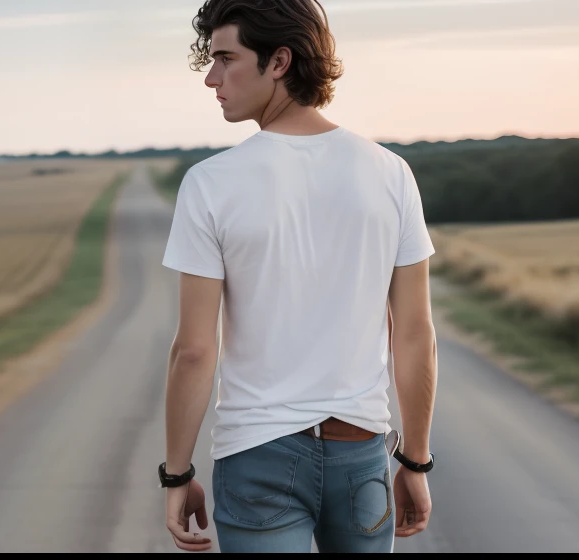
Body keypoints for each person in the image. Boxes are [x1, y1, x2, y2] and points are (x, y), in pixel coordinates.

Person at [159, 0, 438, 553]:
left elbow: (194, 350)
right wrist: (416, 460)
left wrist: (176, 473)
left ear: (279, 61)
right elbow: (415, 337)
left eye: (225, 59)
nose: (211, 78)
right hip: (361, 456)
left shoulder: (211, 184)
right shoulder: (391, 173)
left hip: (255, 457)